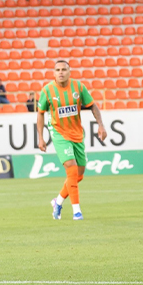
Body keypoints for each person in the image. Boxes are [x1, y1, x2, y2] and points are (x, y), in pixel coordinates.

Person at [38, 60, 105, 221]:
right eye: (57, 70)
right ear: (54, 73)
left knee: (79, 175)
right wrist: (41, 137)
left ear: (69, 72)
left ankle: (58, 201)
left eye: (64, 69)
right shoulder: (47, 90)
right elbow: (40, 113)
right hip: (59, 133)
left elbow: (93, 105)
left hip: (77, 133)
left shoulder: (79, 87)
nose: (60, 72)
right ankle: (77, 212)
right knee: (72, 169)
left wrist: (101, 125)